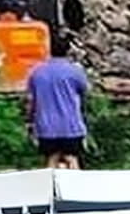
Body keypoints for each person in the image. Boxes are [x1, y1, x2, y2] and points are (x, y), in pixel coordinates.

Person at [25, 33, 90, 169]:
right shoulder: (75, 71)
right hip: (71, 127)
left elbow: (31, 101)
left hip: (46, 127)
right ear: (68, 50)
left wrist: (29, 121)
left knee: (51, 159)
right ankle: (76, 187)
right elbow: (84, 94)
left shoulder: (37, 72)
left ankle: (50, 188)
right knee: (72, 158)